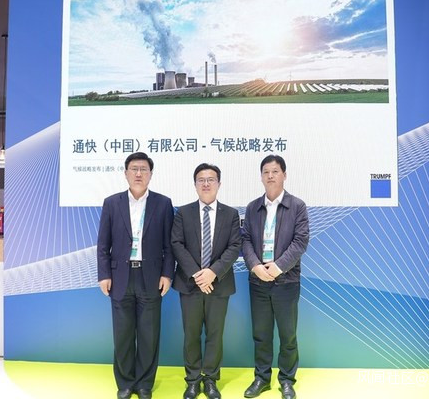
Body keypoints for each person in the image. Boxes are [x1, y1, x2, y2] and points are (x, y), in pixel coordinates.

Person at [97, 152, 175, 399]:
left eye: (143, 169)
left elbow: (169, 245)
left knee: (149, 334)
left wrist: (167, 274)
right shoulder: (112, 203)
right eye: (134, 169)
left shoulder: (163, 204)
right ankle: (125, 383)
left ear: (151, 174)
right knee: (123, 334)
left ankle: (144, 384)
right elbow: (103, 244)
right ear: (126, 173)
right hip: (120, 276)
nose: (138, 173)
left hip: (150, 276)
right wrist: (104, 274)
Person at [242, 155, 309, 399]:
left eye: (275, 171)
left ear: (284, 175)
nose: (270, 176)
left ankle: (287, 380)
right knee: (261, 334)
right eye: (266, 172)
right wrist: (255, 266)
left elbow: (301, 241)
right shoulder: (253, 208)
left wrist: (278, 267)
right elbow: (245, 240)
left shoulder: (297, 206)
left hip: (286, 281)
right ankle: (261, 378)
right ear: (261, 177)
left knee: (287, 335)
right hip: (258, 281)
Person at [171, 163, 241, 399]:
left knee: (215, 334)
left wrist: (212, 272)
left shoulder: (231, 214)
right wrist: (198, 274)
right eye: (201, 180)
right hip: (190, 284)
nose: (206, 184)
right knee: (191, 334)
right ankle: (192, 380)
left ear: (219, 184)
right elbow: (176, 244)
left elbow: (234, 246)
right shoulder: (183, 213)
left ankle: (210, 379)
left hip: (218, 284)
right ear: (195, 184)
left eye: (211, 179)